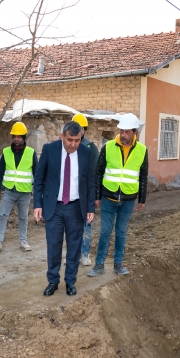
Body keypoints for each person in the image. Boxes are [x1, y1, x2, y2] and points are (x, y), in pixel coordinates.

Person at [33, 121, 96, 296]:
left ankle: (70, 281)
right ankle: (53, 281)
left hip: (76, 208)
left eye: (77, 140)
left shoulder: (85, 152)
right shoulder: (49, 150)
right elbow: (39, 180)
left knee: (74, 247)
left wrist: (90, 207)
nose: (73, 144)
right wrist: (38, 204)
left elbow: (90, 182)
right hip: (54, 207)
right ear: (62, 136)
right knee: (53, 246)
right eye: (69, 140)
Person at [87, 114, 148, 277]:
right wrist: (97, 196)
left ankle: (118, 264)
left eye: (127, 132)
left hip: (128, 199)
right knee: (105, 231)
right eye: (122, 131)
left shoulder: (142, 151)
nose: (123, 135)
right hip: (108, 197)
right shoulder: (108, 147)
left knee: (121, 231)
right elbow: (98, 173)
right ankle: (99, 265)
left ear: (135, 133)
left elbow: (143, 176)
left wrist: (142, 198)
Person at [0, 122, 38, 253]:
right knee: (2, 215)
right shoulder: (6, 152)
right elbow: (0, 173)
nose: (16, 138)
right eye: (14, 136)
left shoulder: (31, 153)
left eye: (19, 136)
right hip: (9, 190)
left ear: (24, 137)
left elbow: (37, 174)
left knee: (23, 218)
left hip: (25, 191)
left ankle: (23, 241)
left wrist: (38, 192)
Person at [71, 113, 100, 266]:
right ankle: (73, 255)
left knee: (86, 226)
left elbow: (95, 173)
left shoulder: (91, 148)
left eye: (79, 128)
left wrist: (95, 196)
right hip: (70, 194)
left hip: (86, 194)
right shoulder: (67, 147)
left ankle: (85, 254)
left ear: (84, 131)